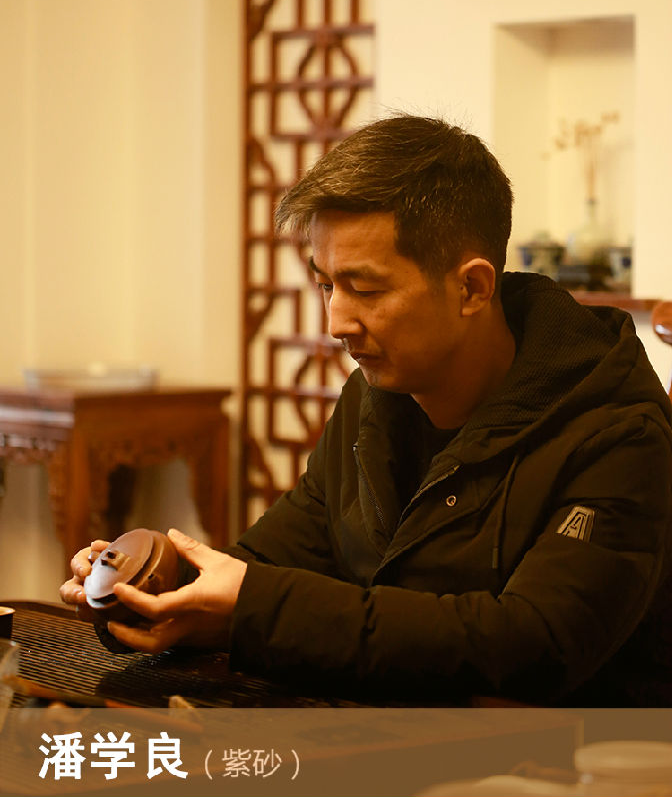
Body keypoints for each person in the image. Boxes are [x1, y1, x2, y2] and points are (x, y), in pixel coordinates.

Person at [61, 115, 672, 706]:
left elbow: (533, 645)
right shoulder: (372, 402)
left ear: (472, 288)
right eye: (326, 284)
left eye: (366, 289)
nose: (336, 322)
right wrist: (148, 588)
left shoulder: (616, 431)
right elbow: (269, 565)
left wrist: (251, 605)